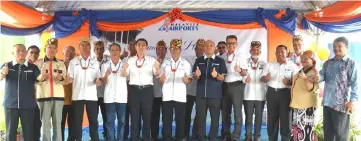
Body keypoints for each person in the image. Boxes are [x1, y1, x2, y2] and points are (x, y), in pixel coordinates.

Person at [1, 44, 47, 141]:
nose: (21, 52)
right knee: (10, 132)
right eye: (18, 50)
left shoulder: (32, 67)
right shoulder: (7, 65)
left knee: (28, 132)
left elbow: (39, 78)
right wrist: (3, 73)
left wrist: (42, 75)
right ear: (13, 53)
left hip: (28, 105)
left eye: (23, 50)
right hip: (10, 105)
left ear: (26, 53)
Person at [320, 37, 359, 141]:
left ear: (346, 47)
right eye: (334, 46)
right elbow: (321, 76)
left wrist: (352, 101)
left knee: (341, 136)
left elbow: (355, 84)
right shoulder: (327, 63)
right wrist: (314, 77)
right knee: (328, 134)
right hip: (327, 103)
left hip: (341, 105)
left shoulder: (351, 63)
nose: (336, 49)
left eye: (339, 46)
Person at [66, 39, 102, 141]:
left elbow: (97, 77)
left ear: (90, 48)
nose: (85, 47)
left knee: (93, 121)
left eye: (87, 45)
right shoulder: (73, 62)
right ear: (79, 47)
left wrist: (98, 81)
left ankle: (95, 139)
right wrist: (68, 79)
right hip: (77, 96)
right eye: (82, 45)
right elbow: (70, 77)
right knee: (77, 121)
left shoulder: (95, 63)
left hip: (91, 96)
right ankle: (78, 139)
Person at [261, 45, 298, 141]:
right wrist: (266, 78)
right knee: (272, 119)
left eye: (282, 52)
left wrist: (289, 82)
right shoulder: (269, 65)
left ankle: (285, 139)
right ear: (275, 53)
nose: (280, 54)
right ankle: (272, 138)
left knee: (286, 119)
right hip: (272, 93)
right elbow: (262, 78)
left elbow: (297, 82)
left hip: (286, 94)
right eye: (278, 52)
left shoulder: (293, 66)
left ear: (287, 53)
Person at [126, 38, 161, 141]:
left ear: (146, 47)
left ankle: (146, 138)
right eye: (139, 44)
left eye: (143, 45)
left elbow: (157, 74)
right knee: (134, 118)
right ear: (135, 47)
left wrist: (158, 69)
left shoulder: (152, 60)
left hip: (147, 91)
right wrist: (123, 70)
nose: (141, 47)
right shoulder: (130, 61)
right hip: (134, 91)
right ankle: (134, 138)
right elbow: (125, 75)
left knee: (147, 118)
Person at [158, 39, 192, 141]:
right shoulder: (165, 63)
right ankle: (167, 138)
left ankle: (179, 138)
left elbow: (189, 79)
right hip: (167, 96)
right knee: (166, 120)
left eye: (177, 49)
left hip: (180, 96)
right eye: (173, 49)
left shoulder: (186, 64)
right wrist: (161, 79)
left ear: (180, 50)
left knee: (180, 120)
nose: (175, 51)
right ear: (170, 50)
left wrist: (187, 80)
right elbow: (160, 79)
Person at [193, 40, 227, 141]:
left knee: (215, 119)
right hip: (201, 95)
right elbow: (194, 76)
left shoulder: (220, 61)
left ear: (214, 48)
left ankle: (213, 137)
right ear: (204, 48)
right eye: (207, 45)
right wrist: (196, 75)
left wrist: (217, 76)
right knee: (200, 119)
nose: (209, 47)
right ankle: (201, 138)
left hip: (215, 95)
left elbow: (222, 78)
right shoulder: (199, 60)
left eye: (211, 45)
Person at [34, 38, 67, 141]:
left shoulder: (61, 64)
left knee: (58, 124)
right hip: (43, 97)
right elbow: (34, 82)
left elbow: (65, 80)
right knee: (45, 124)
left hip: (58, 98)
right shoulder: (38, 64)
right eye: (49, 48)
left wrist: (60, 78)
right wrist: (42, 77)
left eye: (54, 48)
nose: (51, 50)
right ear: (45, 49)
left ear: (57, 50)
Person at [220, 35, 248, 141]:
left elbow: (245, 72)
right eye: (229, 43)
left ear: (236, 44)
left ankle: (235, 136)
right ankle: (227, 135)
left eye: (233, 43)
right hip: (224, 86)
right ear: (226, 44)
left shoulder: (241, 56)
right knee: (225, 112)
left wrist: (240, 70)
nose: (231, 45)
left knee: (237, 112)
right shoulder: (222, 57)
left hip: (237, 85)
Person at [290, 50, 320, 141]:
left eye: (306, 58)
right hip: (298, 105)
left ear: (313, 60)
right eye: (302, 58)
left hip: (306, 107)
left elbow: (310, 88)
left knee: (305, 132)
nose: (303, 60)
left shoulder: (314, 72)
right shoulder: (303, 69)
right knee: (297, 131)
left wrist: (305, 78)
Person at [101, 43, 129, 141]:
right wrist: (106, 75)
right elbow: (104, 82)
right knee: (110, 122)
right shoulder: (105, 65)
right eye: (112, 50)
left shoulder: (125, 64)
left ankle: (120, 139)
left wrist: (124, 70)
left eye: (117, 49)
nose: (114, 52)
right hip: (109, 98)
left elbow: (126, 75)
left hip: (121, 98)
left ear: (120, 51)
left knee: (122, 121)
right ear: (109, 52)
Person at [243, 41, 267, 141]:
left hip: (261, 95)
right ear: (250, 50)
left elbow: (265, 77)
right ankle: (248, 136)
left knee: (259, 117)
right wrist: (244, 79)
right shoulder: (245, 62)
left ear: (260, 51)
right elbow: (241, 76)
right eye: (253, 49)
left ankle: (257, 136)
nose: (255, 51)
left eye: (257, 50)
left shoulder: (264, 64)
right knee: (248, 117)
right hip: (247, 94)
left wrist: (265, 78)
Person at [184, 39, 205, 139]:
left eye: (202, 49)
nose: (199, 51)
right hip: (189, 91)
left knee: (200, 113)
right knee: (186, 113)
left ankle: (196, 132)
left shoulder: (207, 60)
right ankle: (185, 133)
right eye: (198, 49)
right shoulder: (188, 59)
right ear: (195, 49)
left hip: (201, 91)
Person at [21, 45, 41, 141]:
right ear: (26, 53)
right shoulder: (19, 66)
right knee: (26, 129)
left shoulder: (35, 67)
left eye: (36, 53)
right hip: (24, 103)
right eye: (31, 52)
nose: (34, 54)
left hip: (36, 103)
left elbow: (40, 80)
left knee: (36, 127)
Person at [151, 40, 167, 141]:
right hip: (155, 94)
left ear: (166, 51)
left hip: (167, 95)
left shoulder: (170, 63)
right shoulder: (151, 63)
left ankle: (166, 135)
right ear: (156, 50)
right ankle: (154, 136)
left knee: (166, 118)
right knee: (154, 117)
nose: (161, 51)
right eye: (159, 49)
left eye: (163, 49)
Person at [93, 41, 108, 139]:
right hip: (93, 95)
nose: (99, 50)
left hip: (105, 94)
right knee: (93, 117)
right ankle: (94, 136)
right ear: (94, 50)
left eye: (100, 48)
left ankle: (107, 134)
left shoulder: (108, 61)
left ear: (103, 50)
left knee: (106, 116)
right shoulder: (90, 62)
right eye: (97, 49)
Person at [61, 45, 76, 141]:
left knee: (73, 124)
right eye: (67, 52)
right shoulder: (58, 65)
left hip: (74, 100)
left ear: (74, 54)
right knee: (60, 123)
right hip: (61, 100)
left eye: (71, 53)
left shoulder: (76, 66)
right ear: (63, 53)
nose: (69, 55)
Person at [123, 41, 136, 140]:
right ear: (128, 47)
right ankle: (125, 134)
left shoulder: (141, 59)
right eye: (130, 45)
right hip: (126, 88)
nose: (132, 46)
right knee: (125, 114)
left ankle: (134, 135)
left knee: (136, 114)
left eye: (134, 45)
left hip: (137, 89)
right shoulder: (124, 60)